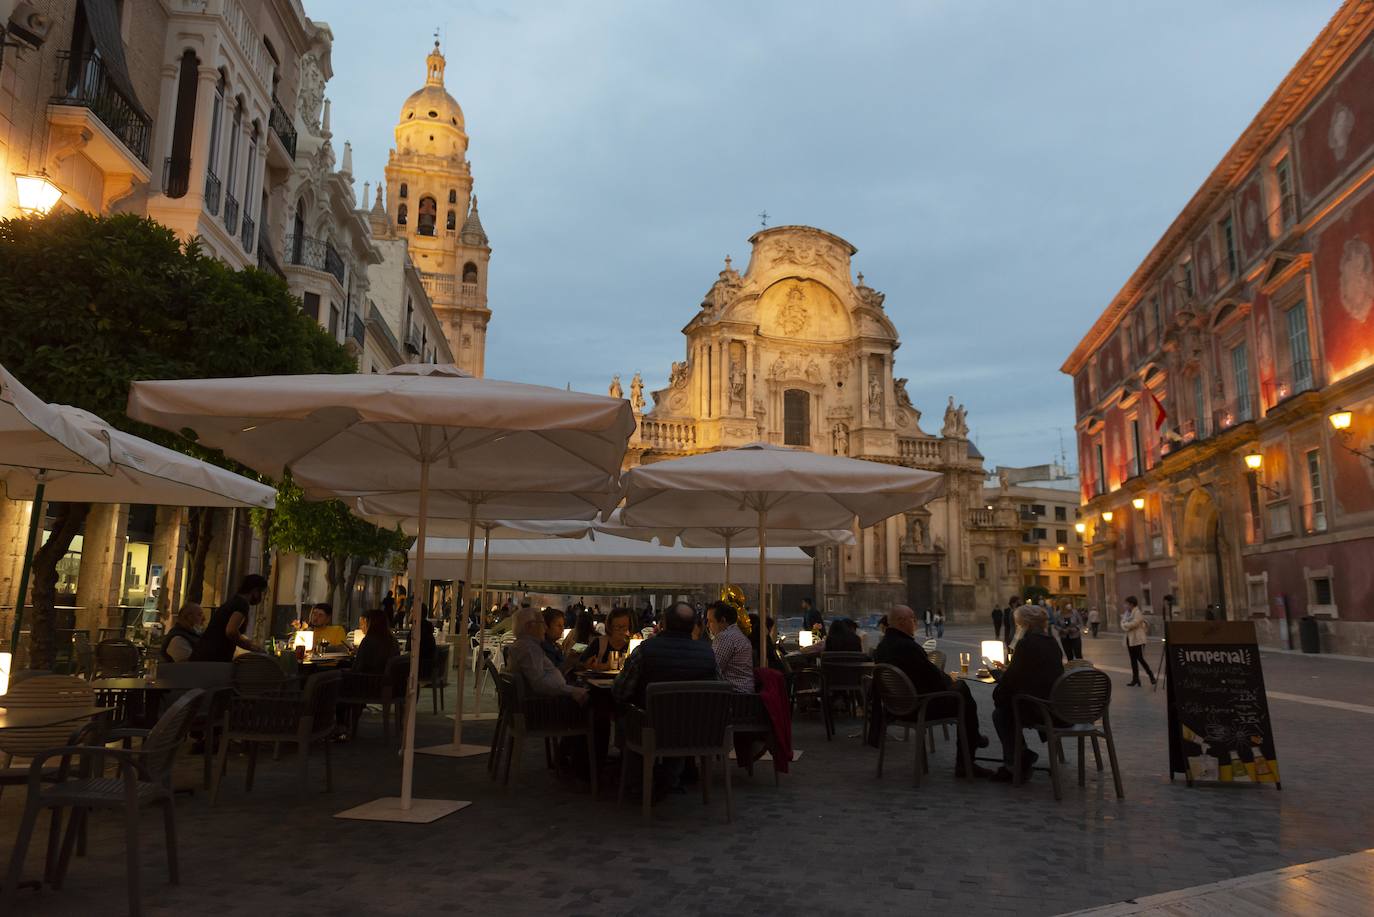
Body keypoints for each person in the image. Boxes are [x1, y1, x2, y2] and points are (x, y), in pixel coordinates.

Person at [869, 605, 992, 777]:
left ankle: (973, 740)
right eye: (912, 618)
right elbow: (934, 679)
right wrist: (951, 681)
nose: (916, 622)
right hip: (919, 708)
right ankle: (966, 759)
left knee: (960, 692)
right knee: (962, 692)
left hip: (895, 708)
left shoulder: (882, 647)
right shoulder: (907, 647)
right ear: (901, 622)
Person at [990, 604, 1065, 783]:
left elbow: (1011, 682)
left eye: (1018, 624)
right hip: (1055, 705)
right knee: (1006, 707)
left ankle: (1014, 764)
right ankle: (1022, 756)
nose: (1017, 627)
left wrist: (999, 674)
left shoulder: (1026, 644)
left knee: (1001, 713)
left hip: (1040, 709)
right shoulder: (1052, 642)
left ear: (1025, 624)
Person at [505, 606, 588, 704]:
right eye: (541, 623)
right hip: (547, 707)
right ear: (529, 626)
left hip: (549, 701)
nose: (545, 627)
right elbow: (540, 684)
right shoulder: (528, 649)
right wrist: (572, 691)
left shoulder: (527, 646)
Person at [191, 574, 266, 661]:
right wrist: (251, 646)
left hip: (204, 655)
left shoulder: (233, 601)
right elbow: (231, 631)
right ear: (255, 591)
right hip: (213, 658)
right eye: (261, 592)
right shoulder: (242, 604)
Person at [706, 600, 753, 693]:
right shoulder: (737, 634)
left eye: (711, 621)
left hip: (734, 695)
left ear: (723, 620)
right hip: (746, 693)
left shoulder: (725, 637)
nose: (707, 625)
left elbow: (713, 667)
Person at [582, 607, 634, 671]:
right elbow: (581, 664)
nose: (621, 631)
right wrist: (599, 666)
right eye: (617, 627)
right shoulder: (599, 642)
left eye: (624, 627)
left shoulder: (633, 644)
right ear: (610, 626)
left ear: (629, 626)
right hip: (601, 680)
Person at [1121, 596, 1156, 686]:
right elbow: (1122, 622)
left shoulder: (1137, 612)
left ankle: (1151, 675)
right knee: (1133, 660)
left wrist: (1125, 625)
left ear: (1131, 604)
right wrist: (1125, 625)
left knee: (1140, 658)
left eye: (1127, 604)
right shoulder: (1127, 613)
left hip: (1138, 640)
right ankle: (1135, 679)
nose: (1125, 606)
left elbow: (1135, 624)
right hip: (1129, 639)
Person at [352, 607, 398, 674]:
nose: (361, 627)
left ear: (370, 623)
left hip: (366, 681)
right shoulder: (393, 641)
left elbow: (357, 668)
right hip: (387, 680)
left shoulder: (368, 641)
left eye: (364, 623)